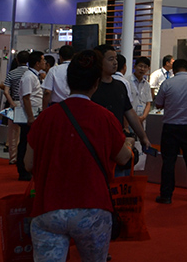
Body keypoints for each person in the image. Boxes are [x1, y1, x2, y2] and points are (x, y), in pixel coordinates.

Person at [24, 49, 134, 262]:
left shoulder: (46, 117)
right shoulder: (105, 117)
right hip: (93, 206)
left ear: (68, 81)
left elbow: (29, 163)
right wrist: (129, 144)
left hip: (48, 206)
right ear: (96, 83)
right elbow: (122, 158)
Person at [154, 58, 187, 204]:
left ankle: (166, 195)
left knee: (168, 162)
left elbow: (158, 104)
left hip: (170, 127)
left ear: (174, 70)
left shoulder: (167, 83)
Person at [91, 47, 152, 175]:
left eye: (115, 59)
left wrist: (143, 137)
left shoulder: (120, 86)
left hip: (117, 143)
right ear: (99, 61)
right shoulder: (92, 86)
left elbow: (129, 111)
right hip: (96, 143)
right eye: (110, 59)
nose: (115, 62)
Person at [17, 51, 47, 180]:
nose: (45, 63)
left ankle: (28, 169)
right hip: (30, 113)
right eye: (43, 60)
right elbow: (26, 97)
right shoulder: (29, 76)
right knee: (26, 142)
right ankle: (23, 170)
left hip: (35, 112)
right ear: (37, 63)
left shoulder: (35, 76)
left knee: (31, 141)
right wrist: (30, 116)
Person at [3, 50, 30, 165]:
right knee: (26, 132)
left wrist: (12, 103)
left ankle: (13, 157)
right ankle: (24, 156)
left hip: (15, 102)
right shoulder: (31, 73)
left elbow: (6, 91)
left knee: (13, 133)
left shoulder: (11, 73)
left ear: (17, 60)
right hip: (28, 104)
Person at [128, 56, 153, 126]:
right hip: (129, 119)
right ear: (134, 66)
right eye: (140, 66)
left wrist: (143, 117)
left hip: (142, 120)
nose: (142, 69)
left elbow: (148, 103)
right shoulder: (127, 82)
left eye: (145, 67)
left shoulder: (146, 84)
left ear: (148, 69)